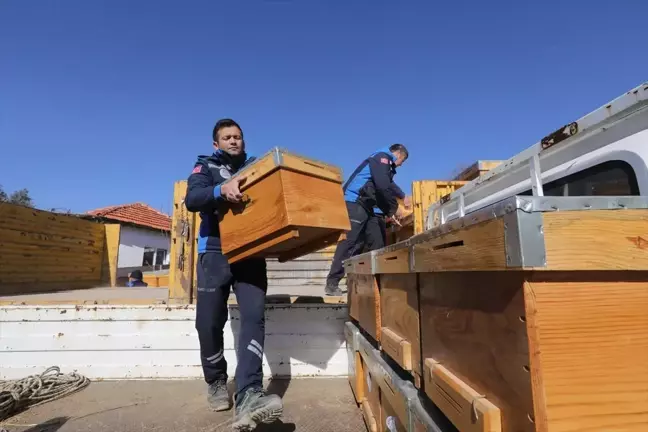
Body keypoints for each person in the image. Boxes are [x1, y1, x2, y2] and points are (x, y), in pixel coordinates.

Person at [185, 118, 283, 430]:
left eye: (237, 136)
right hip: (214, 251)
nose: (233, 141)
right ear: (216, 143)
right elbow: (192, 199)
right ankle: (216, 381)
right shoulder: (205, 167)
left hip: (251, 251)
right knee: (209, 323)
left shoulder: (257, 168)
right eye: (227, 137)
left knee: (254, 317)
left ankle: (249, 394)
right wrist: (219, 189)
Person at [324, 144, 409, 296]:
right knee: (351, 242)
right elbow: (383, 186)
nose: (401, 164)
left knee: (376, 244)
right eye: (402, 160)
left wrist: (401, 198)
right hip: (354, 202)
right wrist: (394, 209)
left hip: (367, 206)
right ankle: (332, 283)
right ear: (398, 154)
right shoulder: (381, 158)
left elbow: (387, 185)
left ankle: (373, 284)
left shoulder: (385, 168)